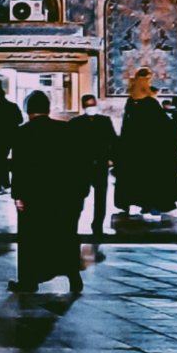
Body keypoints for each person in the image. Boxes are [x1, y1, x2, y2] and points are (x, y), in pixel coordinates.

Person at [10, 91, 84, 295]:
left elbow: (19, 167)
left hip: (34, 195)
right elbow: (78, 162)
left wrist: (18, 195)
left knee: (31, 238)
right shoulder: (65, 129)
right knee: (65, 235)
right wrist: (79, 191)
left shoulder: (23, 133)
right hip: (64, 194)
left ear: (28, 110)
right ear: (48, 109)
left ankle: (28, 279)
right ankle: (72, 275)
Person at [114, 68, 177, 221]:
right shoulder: (150, 103)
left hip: (133, 150)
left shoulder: (131, 102)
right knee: (152, 179)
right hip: (151, 150)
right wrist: (176, 122)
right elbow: (163, 127)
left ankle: (138, 203)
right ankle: (152, 205)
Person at [68, 94, 120, 254]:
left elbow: (113, 140)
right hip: (81, 166)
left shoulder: (104, 121)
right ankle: (73, 225)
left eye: (92, 104)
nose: (91, 108)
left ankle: (97, 226)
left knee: (101, 198)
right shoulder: (75, 123)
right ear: (83, 106)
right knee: (78, 197)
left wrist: (112, 158)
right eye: (88, 105)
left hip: (100, 164)